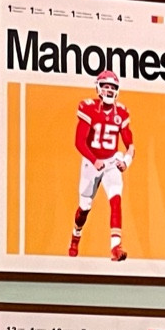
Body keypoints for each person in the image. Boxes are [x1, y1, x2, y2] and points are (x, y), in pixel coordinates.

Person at [69, 69, 133, 263]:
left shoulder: (121, 112)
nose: (109, 90)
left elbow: (130, 144)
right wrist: (94, 160)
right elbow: (79, 142)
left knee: (115, 199)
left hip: (111, 160)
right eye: (105, 86)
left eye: (112, 87)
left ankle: (115, 246)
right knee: (84, 207)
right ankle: (75, 235)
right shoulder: (88, 108)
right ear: (98, 88)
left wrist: (126, 161)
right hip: (91, 161)